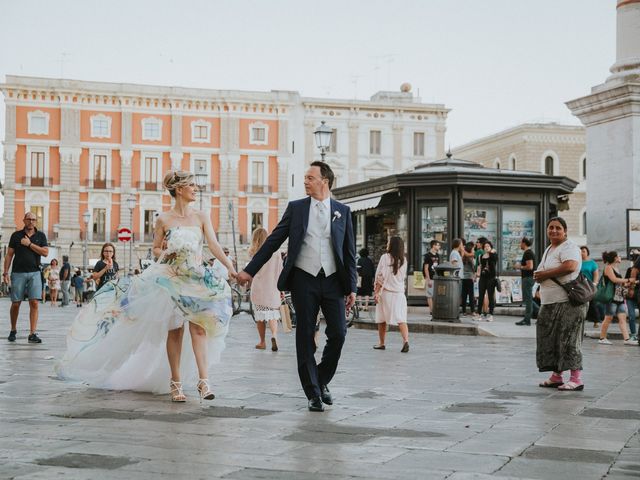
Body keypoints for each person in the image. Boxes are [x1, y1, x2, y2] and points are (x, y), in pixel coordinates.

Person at [57, 170, 237, 403]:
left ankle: (204, 381)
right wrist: (169, 252)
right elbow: (155, 249)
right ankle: (176, 383)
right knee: (175, 330)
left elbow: (213, 245)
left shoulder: (201, 216)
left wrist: (230, 266)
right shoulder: (164, 219)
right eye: (191, 185)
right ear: (179, 189)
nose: (195, 189)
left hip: (195, 277)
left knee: (199, 328)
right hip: (170, 277)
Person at [236, 161, 357, 412]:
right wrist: (249, 270)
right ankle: (312, 392)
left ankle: (321, 379)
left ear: (325, 181)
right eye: (305, 177)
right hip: (304, 279)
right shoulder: (297, 208)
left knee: (339, 334)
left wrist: (352, 287)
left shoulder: (342, 211)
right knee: (304, 335)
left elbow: (349, 252)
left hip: (334, 280)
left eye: (310, 178)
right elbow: (272, 241)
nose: (305, 181)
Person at [534, 217, 587, 391]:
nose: (554, 231)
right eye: (551, 228)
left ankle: (576, 378)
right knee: (552, 339)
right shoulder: (550, 248)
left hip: (567, 302)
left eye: (558, 228)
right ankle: (557, 376)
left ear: (565, 231)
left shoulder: (569, 247)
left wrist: (545, 275)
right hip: (550, 302)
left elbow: (570, 266)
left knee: (569, 340)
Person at [3, 212, 49, 343]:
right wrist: (5, 273)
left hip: (35, 272)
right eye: (28, 219)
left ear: (36, 221)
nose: (31, 221)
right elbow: (9, 255)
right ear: (24, 220)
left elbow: (45, 253)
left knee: (34, 302)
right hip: (18, 273)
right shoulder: (16, 235)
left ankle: (32, 333)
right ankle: (13, 329)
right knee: (16, 303)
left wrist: (29, 244)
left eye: (34, 219)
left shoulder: (41, 236)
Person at [248, 227, 283, 352]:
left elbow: (251, 270)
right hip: (273, 287)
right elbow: (280, 271)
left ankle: (262, 342)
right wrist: (281, 289)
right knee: (272, 314)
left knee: (260, 316)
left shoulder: (253, 251)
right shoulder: (277, 252)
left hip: (258, 288)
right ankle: (274, 336)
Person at [372, 236, 409, 352]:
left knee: (381, 319)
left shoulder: (385, 257)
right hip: (399, 294)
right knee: (401, 318)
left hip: (386, 293)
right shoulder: (404, 260)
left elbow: (380, 276)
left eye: (388, 242)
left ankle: (382, 343)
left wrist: (377, 292)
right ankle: (406, 340)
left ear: (391, 245)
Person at [598, 251, 635, 346]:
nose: (620, 257)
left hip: (620, 297)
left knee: (622, 319)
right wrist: (627, 280)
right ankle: (602, 338)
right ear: (615, 258)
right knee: (608, 317)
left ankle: (626, 339)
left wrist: (628, 283)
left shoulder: (617, 268)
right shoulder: (608, 268)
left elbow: (619, 283)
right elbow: (614, 280)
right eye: (618, 256)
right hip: (612, 297)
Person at [515, 237, 536, 326]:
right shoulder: (528, 252)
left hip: (528, 278)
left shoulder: (528, 253)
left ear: (524, 243)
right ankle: (541, 313)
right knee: (528, 298)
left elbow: (530, 266)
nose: (520, 245)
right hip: (528, 278)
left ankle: (527, 319)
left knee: (528, 299)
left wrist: (520, 266)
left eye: (521, 243)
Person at [476, 240, 498, 321]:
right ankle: (479, 314)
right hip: (483, 278)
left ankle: (491, 315)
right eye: (485, 246)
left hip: (491, 278)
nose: (486, 248)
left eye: (488, 246)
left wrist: (491, 252)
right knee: (481, 296)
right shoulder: (481, 256)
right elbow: (480, 266)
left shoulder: (493, 255)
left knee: (490, 296)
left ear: (491, 247)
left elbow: (495, 260)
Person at [580, 246, 601, 328]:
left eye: (583, 251)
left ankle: (596, 320)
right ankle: (581, 319)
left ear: (587, 252)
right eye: (580, 251)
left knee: (592, 303)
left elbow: (596, 275)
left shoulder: (592, 263)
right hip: (580, 285)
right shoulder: (577, 262)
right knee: (580, 302)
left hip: (589, 285)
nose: (582, 253)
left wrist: (594, 284)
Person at [422, 240, 441, 318]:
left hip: (436, 277)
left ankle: (435, 310)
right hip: (430, 277)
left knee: (436, 294)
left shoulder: (437, 255)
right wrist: (428, 279)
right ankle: (431, 310)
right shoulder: (427, 255)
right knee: (430, 294)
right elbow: (426, 268)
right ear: (433, 245)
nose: (439, 247)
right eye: (438, 245)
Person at [461, 242, 477, 318]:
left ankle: (464, 311)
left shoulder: (464, 256)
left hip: (464, 277)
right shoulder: (471, 256)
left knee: (464, 295)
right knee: (471, 295)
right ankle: (472, 311)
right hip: (470, 277)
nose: (474, 249)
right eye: (473, 248)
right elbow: (473, 268)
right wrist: (474, 276)